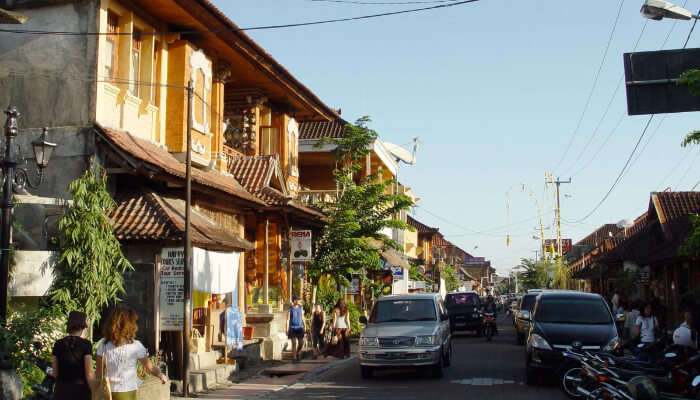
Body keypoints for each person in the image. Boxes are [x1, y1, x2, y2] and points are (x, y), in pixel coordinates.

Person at [96, 308, 167, 400]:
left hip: (108, 392)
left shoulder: (103, 345)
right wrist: (160, 375)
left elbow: (99, 373)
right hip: (128, 391)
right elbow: (150, 368)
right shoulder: (135, 345)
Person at [51, 311, 93, 400]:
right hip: (81, 391)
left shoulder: (58, 344)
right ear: (82, 327)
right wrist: (94, 389)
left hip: (61, 390)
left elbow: (54, 373)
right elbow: (89, 373)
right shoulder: (86, 344)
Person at [286, 296, 306, 362]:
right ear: (294, 301)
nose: (298, 301)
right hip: (292, 328)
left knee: (301, 343)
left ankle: (297, 353)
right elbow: (288, 319)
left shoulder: (300, 308)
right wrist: (286, 328)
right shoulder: (290, 309)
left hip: (300, 327)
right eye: (297, 300)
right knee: (294, 343)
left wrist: (305, 325)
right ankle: (294, 358)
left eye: (299, 300)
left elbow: (303, 317)